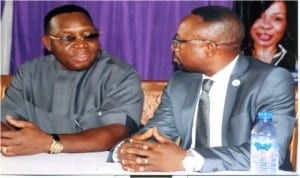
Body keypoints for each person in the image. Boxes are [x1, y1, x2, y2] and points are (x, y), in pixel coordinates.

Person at [114, 6, 295, 173]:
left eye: (179, 41)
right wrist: (126, 150)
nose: (173, 47)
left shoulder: (270, 80)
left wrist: (189, 160)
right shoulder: (181, 82)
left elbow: (269, 153)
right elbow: (154, 134)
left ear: (208, 47)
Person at [0, 4, 143, 156]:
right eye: (68, 38)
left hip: (94, 166)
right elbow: (6, 121)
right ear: (48, 43)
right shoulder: (29, 72)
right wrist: (15, 141)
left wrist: (50, 143)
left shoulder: (120, 74)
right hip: (36, 162)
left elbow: (116, 131)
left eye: (89, 35)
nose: (81, 45)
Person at [235, 1, 298, 73]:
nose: (266, 25)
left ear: (287, 23)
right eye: (259, 16)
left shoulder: (295, 61)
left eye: (277, 18)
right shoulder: (234, 57)